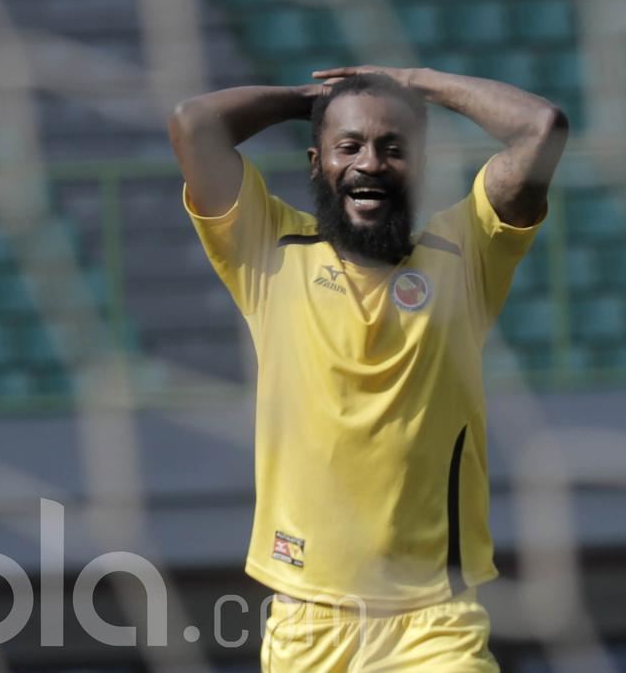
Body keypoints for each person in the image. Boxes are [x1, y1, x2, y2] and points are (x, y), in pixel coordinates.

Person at [168, 65, 568, 671]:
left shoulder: (466, 255)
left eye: (393, 148)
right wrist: (314, 98)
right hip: (308, 622)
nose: (370, 164)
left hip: (433, 624)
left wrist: (415, 81)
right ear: (316, 162)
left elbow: (541, 128)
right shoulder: (267, 249)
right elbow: (193, 124)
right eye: (348, 146)